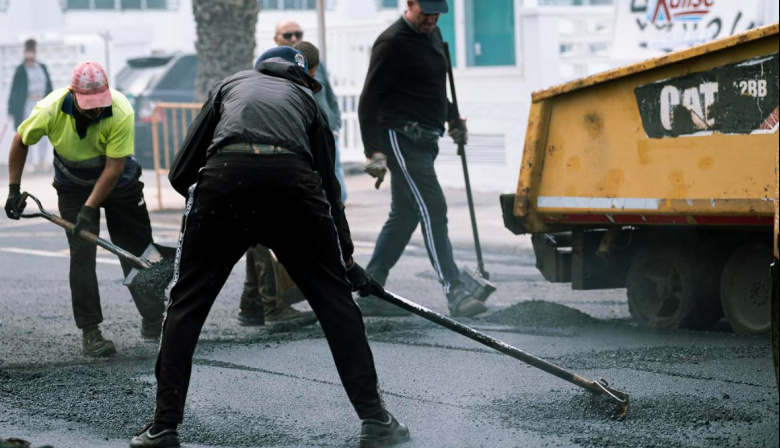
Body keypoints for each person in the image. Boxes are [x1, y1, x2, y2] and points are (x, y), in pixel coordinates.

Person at [130, 46, 409, 448]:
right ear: (300, 78)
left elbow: (180, 173)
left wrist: (230, 217)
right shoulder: (309, 103)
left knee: (186, 304)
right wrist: (343, 261)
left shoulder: (230, 85)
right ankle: (376, 421)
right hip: (292, 186)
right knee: (335, 305)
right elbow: (330, 192)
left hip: (225, 181)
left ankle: (163, 427)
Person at [4, 61, 166, 357]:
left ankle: (154, 318)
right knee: (81, 255)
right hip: (73, 183)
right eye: (88, 105)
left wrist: (91, 208)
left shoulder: (120, 110)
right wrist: (14, 189)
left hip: (118, 181)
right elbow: (20, 141)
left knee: (138, 250)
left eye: (99, 103)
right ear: (72, 94)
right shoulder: (50, 109)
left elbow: (114, 168)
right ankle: (91, 332)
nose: (95, 110)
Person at [356, 0, 487, 318]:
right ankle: (455, 291)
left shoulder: (433, 34)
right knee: (433, 206)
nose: (431, 19)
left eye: (436, 13)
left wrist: (454, 119)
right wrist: (372, 150)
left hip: (427, 140)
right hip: (400, 137)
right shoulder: (392, 42)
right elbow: (368, 99)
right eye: (425, 12)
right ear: (409, 4)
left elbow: (433, 88)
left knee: (404, 216)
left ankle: (371, 290)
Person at [237, 18, 345, 327]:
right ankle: (272, 307)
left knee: (256, 231)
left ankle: (253, 304)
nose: (295, 38)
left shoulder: (268, 77)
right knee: (262, 229)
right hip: (257, 162)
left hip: (253, 161)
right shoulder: (284, 86)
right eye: (289, 35)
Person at [7, 38, 53, 172]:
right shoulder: (20, 70)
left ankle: (42, 160)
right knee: (27, 133)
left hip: (42, 103)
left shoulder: (42, 67)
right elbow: (14, 90)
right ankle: (29, 162)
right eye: (28, 52)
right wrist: (11, 109)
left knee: (44, 133)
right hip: (27, 104)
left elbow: (49, 87)